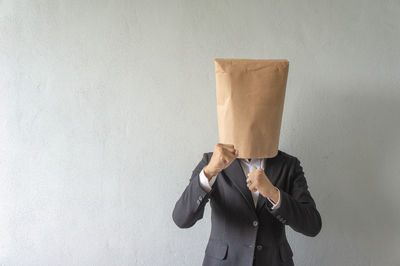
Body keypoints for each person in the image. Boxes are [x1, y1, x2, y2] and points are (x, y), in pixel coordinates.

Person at [172, 143, 322, 266]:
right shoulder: (211, 161)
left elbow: (312, 225)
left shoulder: (289, 165)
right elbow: (181, 218)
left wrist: (273, 193)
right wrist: (209, 172)